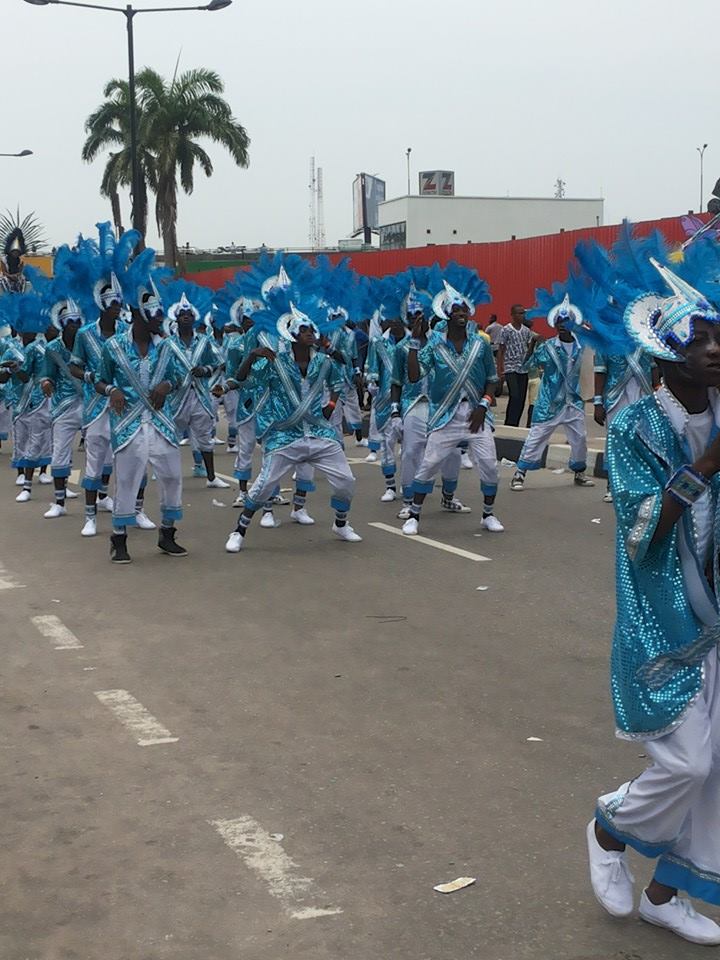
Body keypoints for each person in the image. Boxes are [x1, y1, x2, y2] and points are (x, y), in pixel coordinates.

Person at [585, 251, 720, 945]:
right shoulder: (636, 429)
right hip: (662, 613)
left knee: (718, 766)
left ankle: (666, 895)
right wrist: (704, 465)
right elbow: (645, 531)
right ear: (666, 358)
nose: (716, 350)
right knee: (688, 761)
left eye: (718, 337)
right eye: (700, 342)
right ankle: (610, 831)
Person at [225, 297, 362, 553]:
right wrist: (252, 355)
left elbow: (337, 385)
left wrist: (331, 405)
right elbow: (244, 380)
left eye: (311, 329)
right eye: (304, 330)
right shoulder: (275, 361)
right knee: (264, 485)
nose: (310, 334)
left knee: (346, 481)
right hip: (284, 435)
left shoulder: (323, 361)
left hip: (320, 433)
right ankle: (239, 530)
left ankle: (341, 524)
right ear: (291, 335)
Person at [401, 278, 503, 536]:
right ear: (446, 314)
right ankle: (413, 515)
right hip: (444, 416)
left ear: (469, 314)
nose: (460, 313)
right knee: (428, 465)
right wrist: (415, 342)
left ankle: (488, 515)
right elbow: (414, 376)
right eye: (455, 309)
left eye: (464, 309)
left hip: (477, 414)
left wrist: (484, 404)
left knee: (490, 465)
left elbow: (492, 380)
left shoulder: (481, 343)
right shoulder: (433, 343)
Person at [96, 280, 186, 563]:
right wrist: (112, 390)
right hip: (128, 423)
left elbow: (182, 377)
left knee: (172, 475)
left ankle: (167, 534)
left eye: (160, 313)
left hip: (161, 422)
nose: (160, 318)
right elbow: (100, 379)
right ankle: (119, 538)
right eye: (154, 313)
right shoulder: (114, 346)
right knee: (127, 480)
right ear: (137, 315)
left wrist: (166, 386)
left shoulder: (167, 347)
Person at [392, 285, 466, 520]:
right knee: (412, 451)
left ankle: (448, 495)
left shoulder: (441, 342)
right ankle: (409, 500)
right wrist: (395, 412)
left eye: (422, 315)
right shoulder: (401, 349)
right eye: (414, 316)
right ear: (408, 319)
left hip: (441, 405)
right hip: (413, 404)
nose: (418, 320)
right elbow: (396, 381)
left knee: (453, 452)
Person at [510, 295, 595, 490]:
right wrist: (532, 345)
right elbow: (526, 366)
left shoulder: (582, 347)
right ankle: (519, 473)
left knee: (580, 438)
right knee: (537, 436)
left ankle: (579, 471)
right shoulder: (548, 347)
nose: (563, 325)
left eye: (567, 321)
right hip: (550, 402)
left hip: (573, 401)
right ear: (554, 324)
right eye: (559, 321)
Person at [69, 275, 122, 536]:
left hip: (124, 405)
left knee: (120, 458)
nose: (118, 307)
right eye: (113, 303)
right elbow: (74, 366)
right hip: (94, 405)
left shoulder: (127, 332)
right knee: (94, 460)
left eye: (120, 303)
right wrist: (89, 376)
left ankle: (130, 508)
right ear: (102, 305)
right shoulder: (84, 333)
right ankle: (89, 517)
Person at [164, 288, 229, 490]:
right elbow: (161, 369)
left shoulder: (204, 341)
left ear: (195, 318)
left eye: (189, 315)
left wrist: (205, 369)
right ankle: (169, 476)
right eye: (182, 315)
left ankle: (211, 477)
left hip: (200, 395)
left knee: (204, 438)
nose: (185, 317)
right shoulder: (167, 344)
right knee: (170, 437)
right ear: (176, 318)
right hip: (176, 397)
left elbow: (217, 363)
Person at [40, 299, 84, 518]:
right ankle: (59, 501)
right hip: (64, 405)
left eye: (78, 321)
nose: (75, 325)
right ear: (62, 323)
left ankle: (103, 497)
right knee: (60, 453)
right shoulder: (52, 348)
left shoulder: (87, 342)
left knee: (101, 452)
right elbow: (47, 373)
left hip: (89, 402)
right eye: (71, 321)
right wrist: (46, 382)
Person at [594, 346, 655, 502]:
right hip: (616, 398)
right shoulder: (606, 340)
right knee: (616, 442)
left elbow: (654, 367)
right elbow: (600, 371)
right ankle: (612, 486)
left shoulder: (644, 338)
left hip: (644, 396)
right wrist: (597, 402)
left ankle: (641, 486)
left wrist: (657, 395)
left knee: (644, 442)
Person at [497, 304, 533, 426]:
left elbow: (528, 348)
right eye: (519, 313)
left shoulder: (526, 331)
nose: (521, 316)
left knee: (522, 398)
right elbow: (501, 349)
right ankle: (510, 422)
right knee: (514, 395)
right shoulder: (506, 330)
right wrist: (500, 369)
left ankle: (516, 422)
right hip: (510, 367)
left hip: (523, 368)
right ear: (512, 315)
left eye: (523, 313)